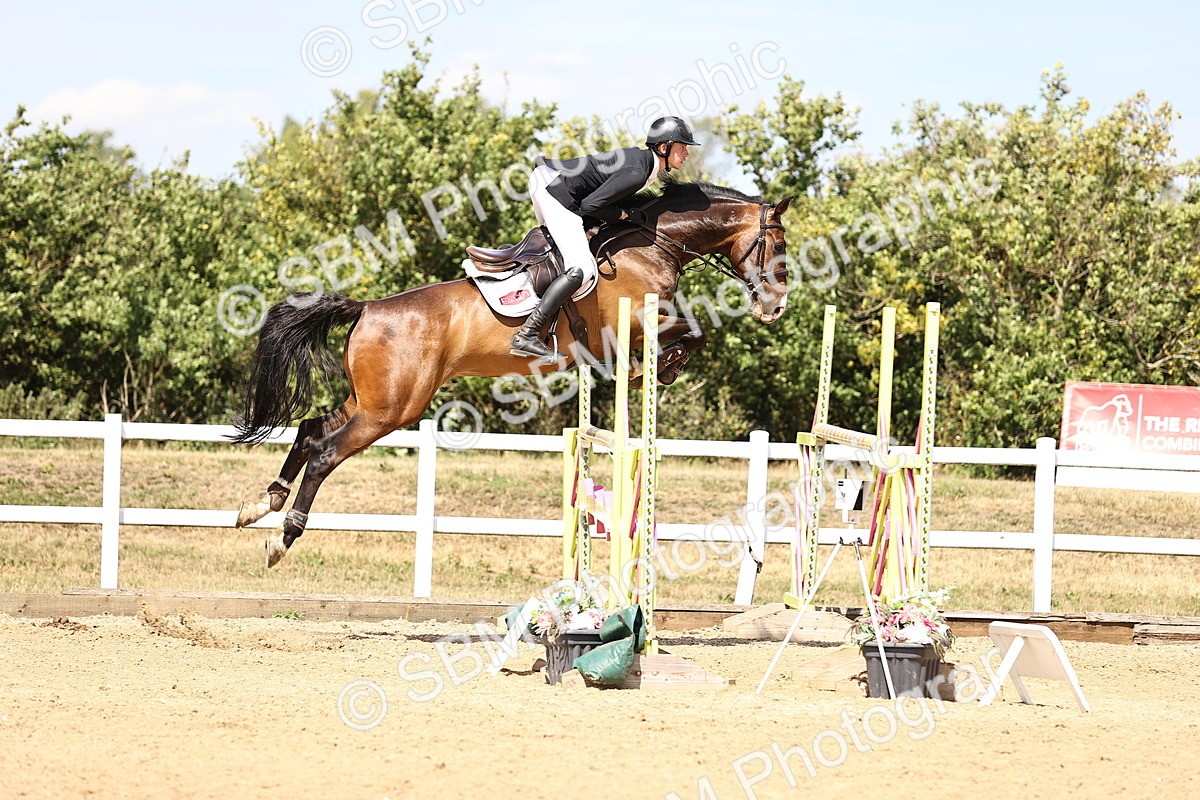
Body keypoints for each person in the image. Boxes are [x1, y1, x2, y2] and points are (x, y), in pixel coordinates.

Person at [509, 115, 700, 363]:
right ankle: (528, 333)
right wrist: (624, 214)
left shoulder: (645, 166)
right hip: (554, 187)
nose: (686, 154)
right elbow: (591, 205)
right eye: (682, 147)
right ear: (664, 147)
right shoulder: (638, 171)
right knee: (581, 269)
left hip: (548, 178)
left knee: (562, 251)